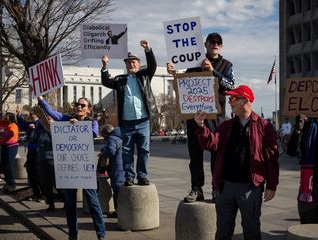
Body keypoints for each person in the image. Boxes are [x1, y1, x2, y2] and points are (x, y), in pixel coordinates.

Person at [194, 85, 279, 240]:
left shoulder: (264, 126)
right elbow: (211, 144)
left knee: (251, 231)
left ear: (245, 100)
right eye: (230, 98)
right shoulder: (226, 125)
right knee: (222, 232)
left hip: (250, 188)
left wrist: (272, 185)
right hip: (225, 187)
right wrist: (201, 126)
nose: (229, 102)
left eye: (233, 98)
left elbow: (272, 159)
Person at [167, 32, 235, 202]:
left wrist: (213, 72)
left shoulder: (226, 65)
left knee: (217, 154)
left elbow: (230, 87)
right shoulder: (194, 63)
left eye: (218, 42)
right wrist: (174, 74)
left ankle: (216, 188)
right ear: (205, 45)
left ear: (222, 46)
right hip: (195, 115)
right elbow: (184, 84)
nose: (215, 44)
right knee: (195, 154)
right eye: (212, 42)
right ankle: (196, 188)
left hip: (216, 116)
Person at [38, 96, 105, 240]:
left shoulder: (92, 122)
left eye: (82, 105)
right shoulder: (65, 119)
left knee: (93, 203)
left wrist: (78, 126)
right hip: (68, 169)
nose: (79, 107)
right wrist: (41, 98)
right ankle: (72, 235)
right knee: (69, 204)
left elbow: (93, 133)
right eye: (77, 104)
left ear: (88, 109)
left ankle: (101, 234)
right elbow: (51, 112)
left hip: (85, 169)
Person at [101, 40, 157, 186]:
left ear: (138, 64)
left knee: (144, 150)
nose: (132, 64)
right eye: (129, 62)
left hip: (143, 120)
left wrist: (147, 49)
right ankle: (129, 176)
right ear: (126, 66)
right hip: (126, 122)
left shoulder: (144, 76)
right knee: (127, 151)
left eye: (134, 62)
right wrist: (105, 66)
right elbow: (106, 82)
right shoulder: (121, 80)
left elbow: (152, 66)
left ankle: (142, 175)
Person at [16, 108, 43, 202]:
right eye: (30, 113)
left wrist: (35, 130)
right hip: (31, 150)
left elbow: (45, 132)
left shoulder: (41, 123)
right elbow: (22, 124)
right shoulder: (29, 123)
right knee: (30, 172)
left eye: (33, 113)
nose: (31, 115)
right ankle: (36, 193)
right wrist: (19, 115)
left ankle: (41, 195)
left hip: (38, 151)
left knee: (37, 173)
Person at [98, 124, 124, 217]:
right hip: (123, 165)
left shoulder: (112, 138)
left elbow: (111, 150)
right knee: (120, 188)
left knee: (117, 189)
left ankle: (118, 212)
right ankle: (120, 211)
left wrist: (103, 154)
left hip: (117, 166)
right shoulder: (120, 136)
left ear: (106, 133)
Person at [0, 112, 19, 192]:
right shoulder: (2, 122)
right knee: (3, 165)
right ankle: (8, 183)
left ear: (10, 118)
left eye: (7, 116)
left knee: (9, 165)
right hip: (4, 146)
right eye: (5, 115)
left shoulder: (13, 125)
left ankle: (12, 184)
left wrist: (0, 133)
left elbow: (10, 134)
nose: (5, 117)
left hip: (12, 147)